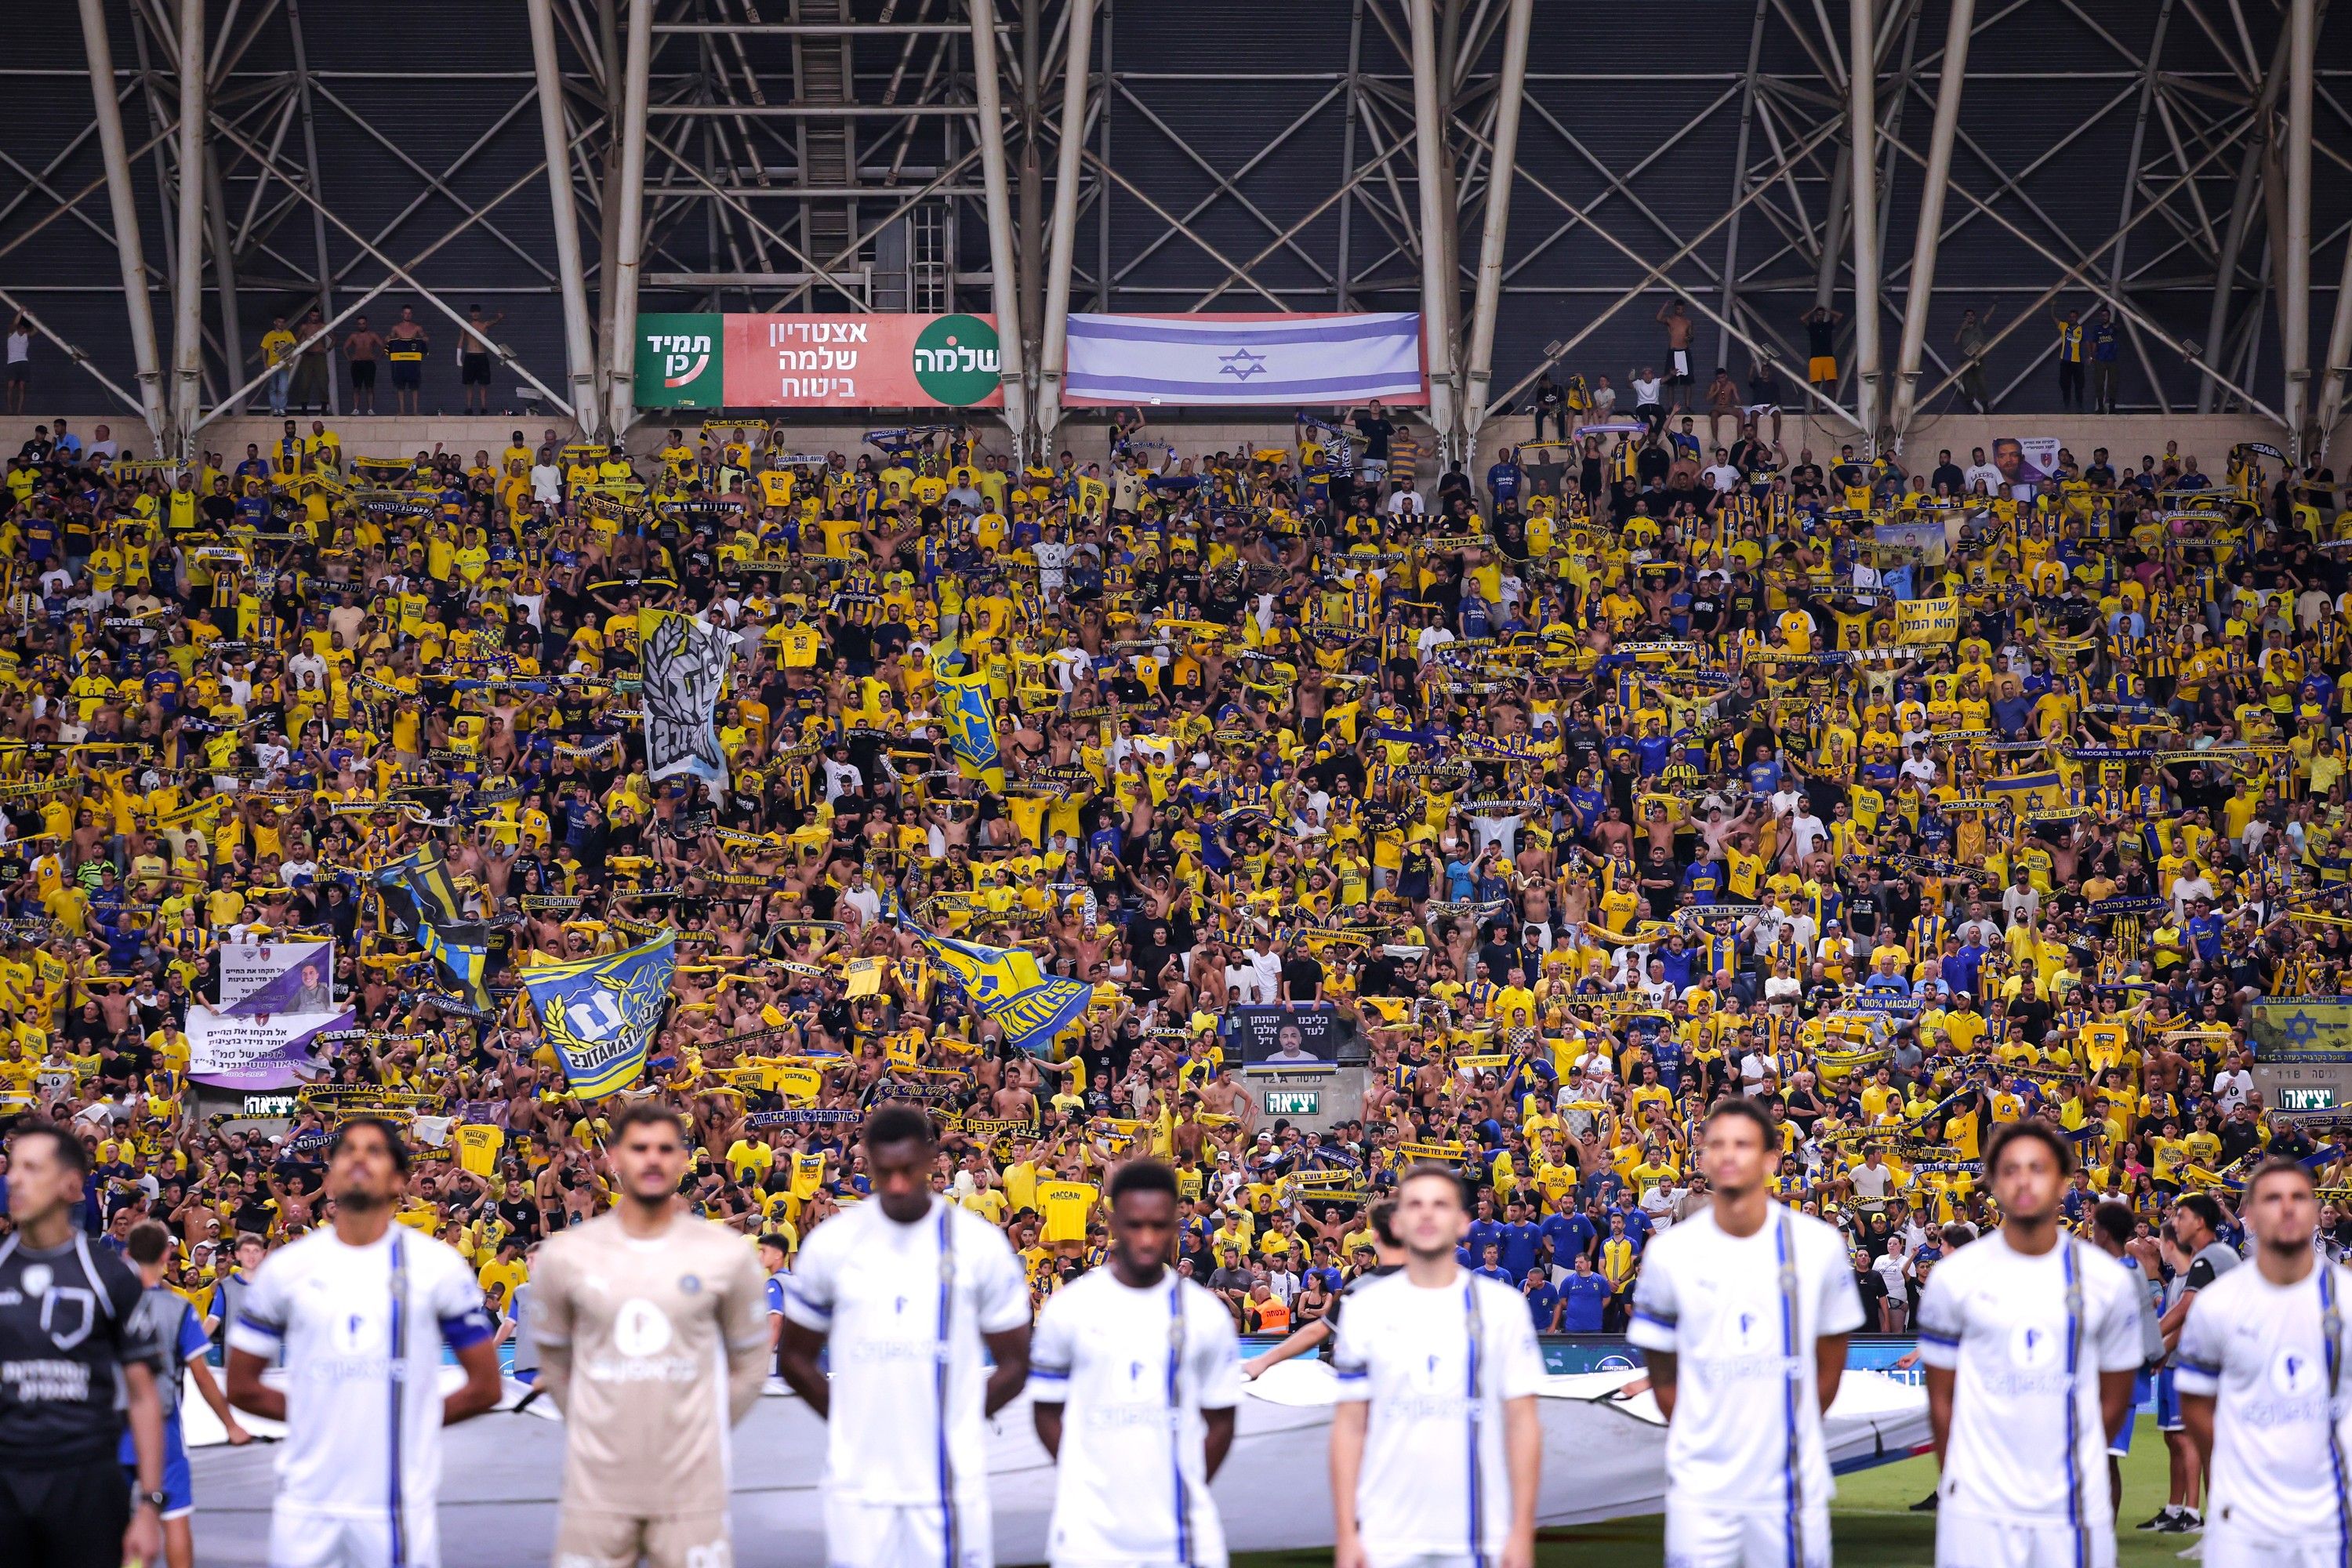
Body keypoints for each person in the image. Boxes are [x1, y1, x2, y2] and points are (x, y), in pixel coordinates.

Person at [225, 1118, 503, 1568]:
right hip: (306, 1504)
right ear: (331, 1178)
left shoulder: (437, 1267)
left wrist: (411, 1418)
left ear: (398, 1179)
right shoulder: (287, 1268)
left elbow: (486, 1386)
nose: (358, 1158)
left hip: (394, 1506)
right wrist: (317, 1415)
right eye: (347, 1150)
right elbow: (241, 1387)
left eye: (374, 1151)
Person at [778, 1105, 1033, 1568]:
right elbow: (794, 1358)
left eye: (908, 1170)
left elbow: (1016, 1363)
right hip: (859, 1481)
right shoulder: (832, 1243)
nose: (897, 1184)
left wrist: (956, 1422)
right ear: (868, 1163)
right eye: (886, 1171)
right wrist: (848, 1421)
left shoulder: (979, 1245)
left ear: (932, 1160)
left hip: (946, 1481)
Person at [529, 1103, 768, 1568]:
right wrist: (596, 1424)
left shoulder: (725, 1255)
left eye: (665, 1148)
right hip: (596, 1488)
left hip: (691, 1489)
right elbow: (554, 1363)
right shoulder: (569, 1255)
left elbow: (751, 1366)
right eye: (640, 1148)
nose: (653, 1159)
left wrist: (699, 1428)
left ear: (682, 1159)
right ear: (616, 1158)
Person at [1628, 1099, 1864, 1568]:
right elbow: (1663, 1373)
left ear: (1771, 1158)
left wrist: (1787, 1434)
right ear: (1702, 1158)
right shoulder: (1669, 1253)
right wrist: (1704, 1437)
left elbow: (1830, 1363)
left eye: (1743, 1144)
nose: (1729, 1154)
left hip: (1788, 1480)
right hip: (1700, 1481)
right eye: (1717, 1144)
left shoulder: (1817, 1246)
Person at [1915, 1122, 2143, 1568]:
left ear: (2062, 1182)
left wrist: (2077, 1460)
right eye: (2010, 1169)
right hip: (1978, 1501)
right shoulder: (1954, 1278)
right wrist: (1959, 1475)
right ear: (1994, 1183)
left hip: (2072, 1501)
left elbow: (2115, 1395)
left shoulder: (2106, 1280)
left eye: (2037, 1168)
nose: (2023, 1180)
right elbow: (1941, 1397)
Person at [1329, 1163, 1544, 1568]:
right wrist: (1346, 1534)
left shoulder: (1503, 1308)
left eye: (1440, 1205)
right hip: (1384, 1538)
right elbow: (1349, 1428)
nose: (1427, 1214)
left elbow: (1523, 1425)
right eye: (1415, 1204)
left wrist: (1521, 1532)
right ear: (1398, 1223)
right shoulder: (1364, 1308)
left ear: (1463, 1223)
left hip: (1479, 1537)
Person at [1029, 1159, 1241, 1568]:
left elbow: (1221, 1421)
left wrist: (1183, 1484)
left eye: (1158, 1226)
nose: (1146, 1239)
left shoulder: (1204, 1314)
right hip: (1089, 1536)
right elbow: (1045, 1411)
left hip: (1182, 1536)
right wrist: (1085, 1478)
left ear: (1175, 1225)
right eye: (1134, 1225)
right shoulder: (1069, 1308)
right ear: (1112, 1222)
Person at [0, 1121, 168, 1568]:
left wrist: (149, 1506)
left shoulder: (110, 1275)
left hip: (87, 1482)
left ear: (72, 1184)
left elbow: (144, 1396)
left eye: (32, 1168)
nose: (13, 1179)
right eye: (13, 1167)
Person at [2176, 1158, 2350, 1568]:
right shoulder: (2217, 1304)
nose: (2286, 1208)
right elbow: (2196, 1402)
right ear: (2250, 1216)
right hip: (2243, 1520)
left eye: (2299, 1198)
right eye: (2272, 1199)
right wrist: (2236, 1463)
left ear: (2315, 1211)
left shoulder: (2346, 1300)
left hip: (2330, 1520)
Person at [122, 1218, 252, 1568]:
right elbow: (202, 1376)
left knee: (114, 1520)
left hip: (115, 1425)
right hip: (162, 1425)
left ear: (127, 1254)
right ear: (167, 1256)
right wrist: (230, 1425)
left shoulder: (111, 1306)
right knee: (174, 1516)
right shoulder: (177, 1309)